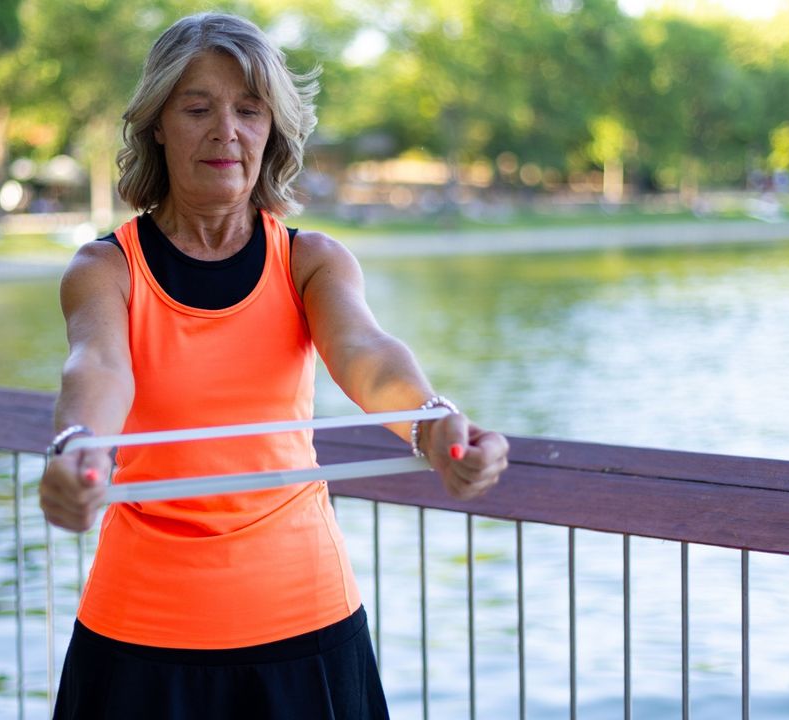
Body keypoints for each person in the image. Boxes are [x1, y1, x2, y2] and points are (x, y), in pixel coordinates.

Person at [39, 12, 509, 719]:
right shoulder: (105, 268)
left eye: (249, 110)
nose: (226, 130)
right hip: (140, 635)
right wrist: (77, 449)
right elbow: (98, 369)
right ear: (157, 125)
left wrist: (432, 425)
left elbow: (367, 354)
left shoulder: (311, 260)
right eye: (197, 108)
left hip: (307, 627)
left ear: (273, 130)